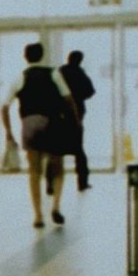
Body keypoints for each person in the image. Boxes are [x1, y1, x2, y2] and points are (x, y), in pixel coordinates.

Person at [1, 42, 80, 229]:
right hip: (53, 124)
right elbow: (68, 99)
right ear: (42, 55)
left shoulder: (21, 77)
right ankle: (55, 206)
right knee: (58, 167)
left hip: (30, 125)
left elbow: (4, 107)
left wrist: (9, 132)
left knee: (34, 172)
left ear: (25, 57)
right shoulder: (54, 73)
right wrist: (76, 121)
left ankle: (37, 216)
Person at [59, 50, 96, 191]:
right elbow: (90, 91)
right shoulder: (80, 73)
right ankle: (82, 182)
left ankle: (50, 184)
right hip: (77, 116)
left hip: (60, 114)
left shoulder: (60, 72)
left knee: (56, 151)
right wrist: (78, 97)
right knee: (78, 149)